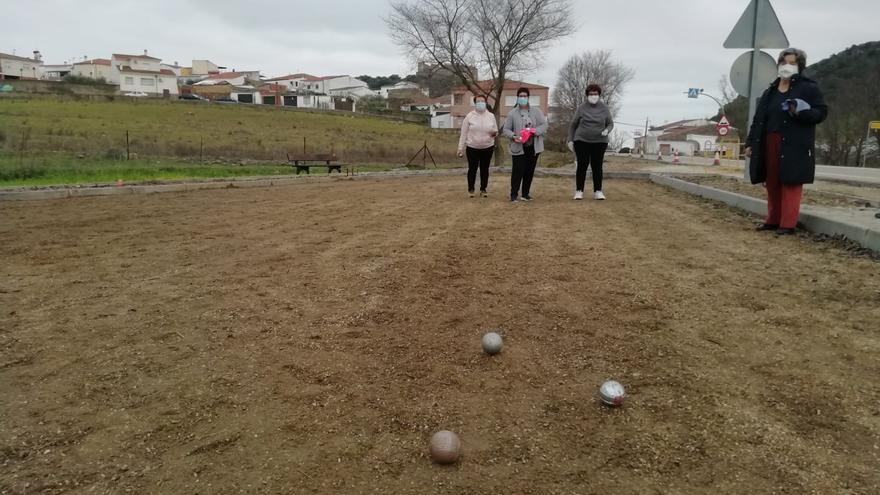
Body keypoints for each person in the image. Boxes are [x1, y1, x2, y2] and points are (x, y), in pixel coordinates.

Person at [745, 47, 828, 235]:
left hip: (794, 143)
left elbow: (821, 112)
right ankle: (773, 220)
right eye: (783, 62)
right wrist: (750, 143)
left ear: (800, 66)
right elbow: (758, 119)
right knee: (771, 181)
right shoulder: (770, 91)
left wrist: (800, 112)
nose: (787, 66)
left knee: (791, 182)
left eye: (792, 63)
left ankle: (788, 224)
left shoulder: (808, 88)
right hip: (769, 140)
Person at [568, 84, 614, 200]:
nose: (593, 96)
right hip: (582, 140)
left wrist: (606, 130)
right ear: (587, 95)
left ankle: (598, 191)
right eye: (591, 94)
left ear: (599, 95)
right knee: (582, 165)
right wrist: (570, 140)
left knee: (597, 166)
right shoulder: (582, 108)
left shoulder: (604, 108)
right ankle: (579, 191)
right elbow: (573, 125)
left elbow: (610, 123)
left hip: (600, 141)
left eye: (595, 94)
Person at [502, 87, 548, 202]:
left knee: (529, 170)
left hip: (533, 146)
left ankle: (525, 193)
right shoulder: (512, 113)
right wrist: (514, 136)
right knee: (518, 171)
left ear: (528, 98)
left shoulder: (536, 111)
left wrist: (535, 131)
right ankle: (513, 195)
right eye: (520, 96)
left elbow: (544, 125)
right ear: (517, 98)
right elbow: (506, 129)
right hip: (519, 147)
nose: (523, 98)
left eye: (525, 96)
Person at [457, 95, 498, 197]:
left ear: (486, 103)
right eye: (478, 101)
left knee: (485, 169)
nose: (480, 103)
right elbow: (464, 133)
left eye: (482, 101)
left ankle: (483, 189)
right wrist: (460, 148)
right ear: (475, 103)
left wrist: (494, 133)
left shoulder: (491, 116)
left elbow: (495, 131)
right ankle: (471, 189)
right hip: (472, 147)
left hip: (488, 147)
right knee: (472, 168)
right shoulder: (469, 116)